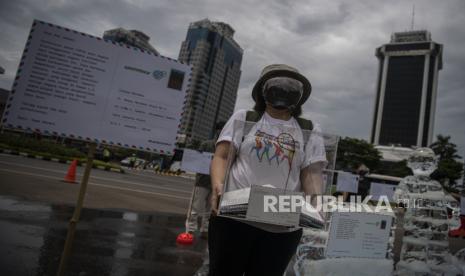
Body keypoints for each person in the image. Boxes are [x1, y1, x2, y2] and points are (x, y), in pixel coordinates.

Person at [209, 64, 327, 276]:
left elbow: (312, 171)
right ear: (263, 90)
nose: (283, 90)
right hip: (235, 214)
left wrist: (316, 202)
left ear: (298, 94)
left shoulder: (308, 129)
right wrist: (217, 184)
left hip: (282, 221)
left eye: (290, 86)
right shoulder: (245, 118)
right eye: (277, 85)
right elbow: (223, 155)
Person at [186, 122, 225, 238]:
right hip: (202, 181)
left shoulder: (226, 146)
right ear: (217, 130)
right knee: (195, 208)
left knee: (210, 210)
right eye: (220, 129)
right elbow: (196, 160)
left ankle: (205, 230)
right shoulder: (206, 144)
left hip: (216, 183)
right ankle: (190, 229)